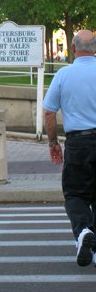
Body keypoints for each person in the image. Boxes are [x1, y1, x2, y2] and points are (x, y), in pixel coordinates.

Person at [43, 29, 96, 267]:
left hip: (78, 144)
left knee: (75, 194)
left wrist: (53, 143)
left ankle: (83, 231)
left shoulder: (63, 75)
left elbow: (49, 112)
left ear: (73, 49)